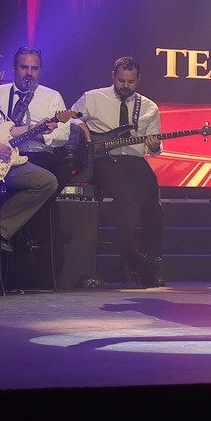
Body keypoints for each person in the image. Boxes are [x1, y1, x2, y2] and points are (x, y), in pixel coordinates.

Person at [72, 57, 165, 287]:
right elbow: (69, 120)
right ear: (113, 76)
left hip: (134, 159)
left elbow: (154, 149)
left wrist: (154, 146)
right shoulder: (92, 98)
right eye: (121, 80)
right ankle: (131, 255)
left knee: (153, 205)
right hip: (102, 159)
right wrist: (83, 130)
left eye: (131, 82)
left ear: (138, 80)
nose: (125, 86)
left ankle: (150, 263)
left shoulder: (149, 107)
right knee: (124, 193)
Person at [0, 46, 77, 251]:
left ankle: (6, 230)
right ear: (14, 68)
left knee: (52, 177)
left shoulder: (51, 96)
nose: (29, 73)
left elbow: (62, 136)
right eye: (24, 67)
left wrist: (38, 134)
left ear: (40, 71)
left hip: (38, 154)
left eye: (34, 68)